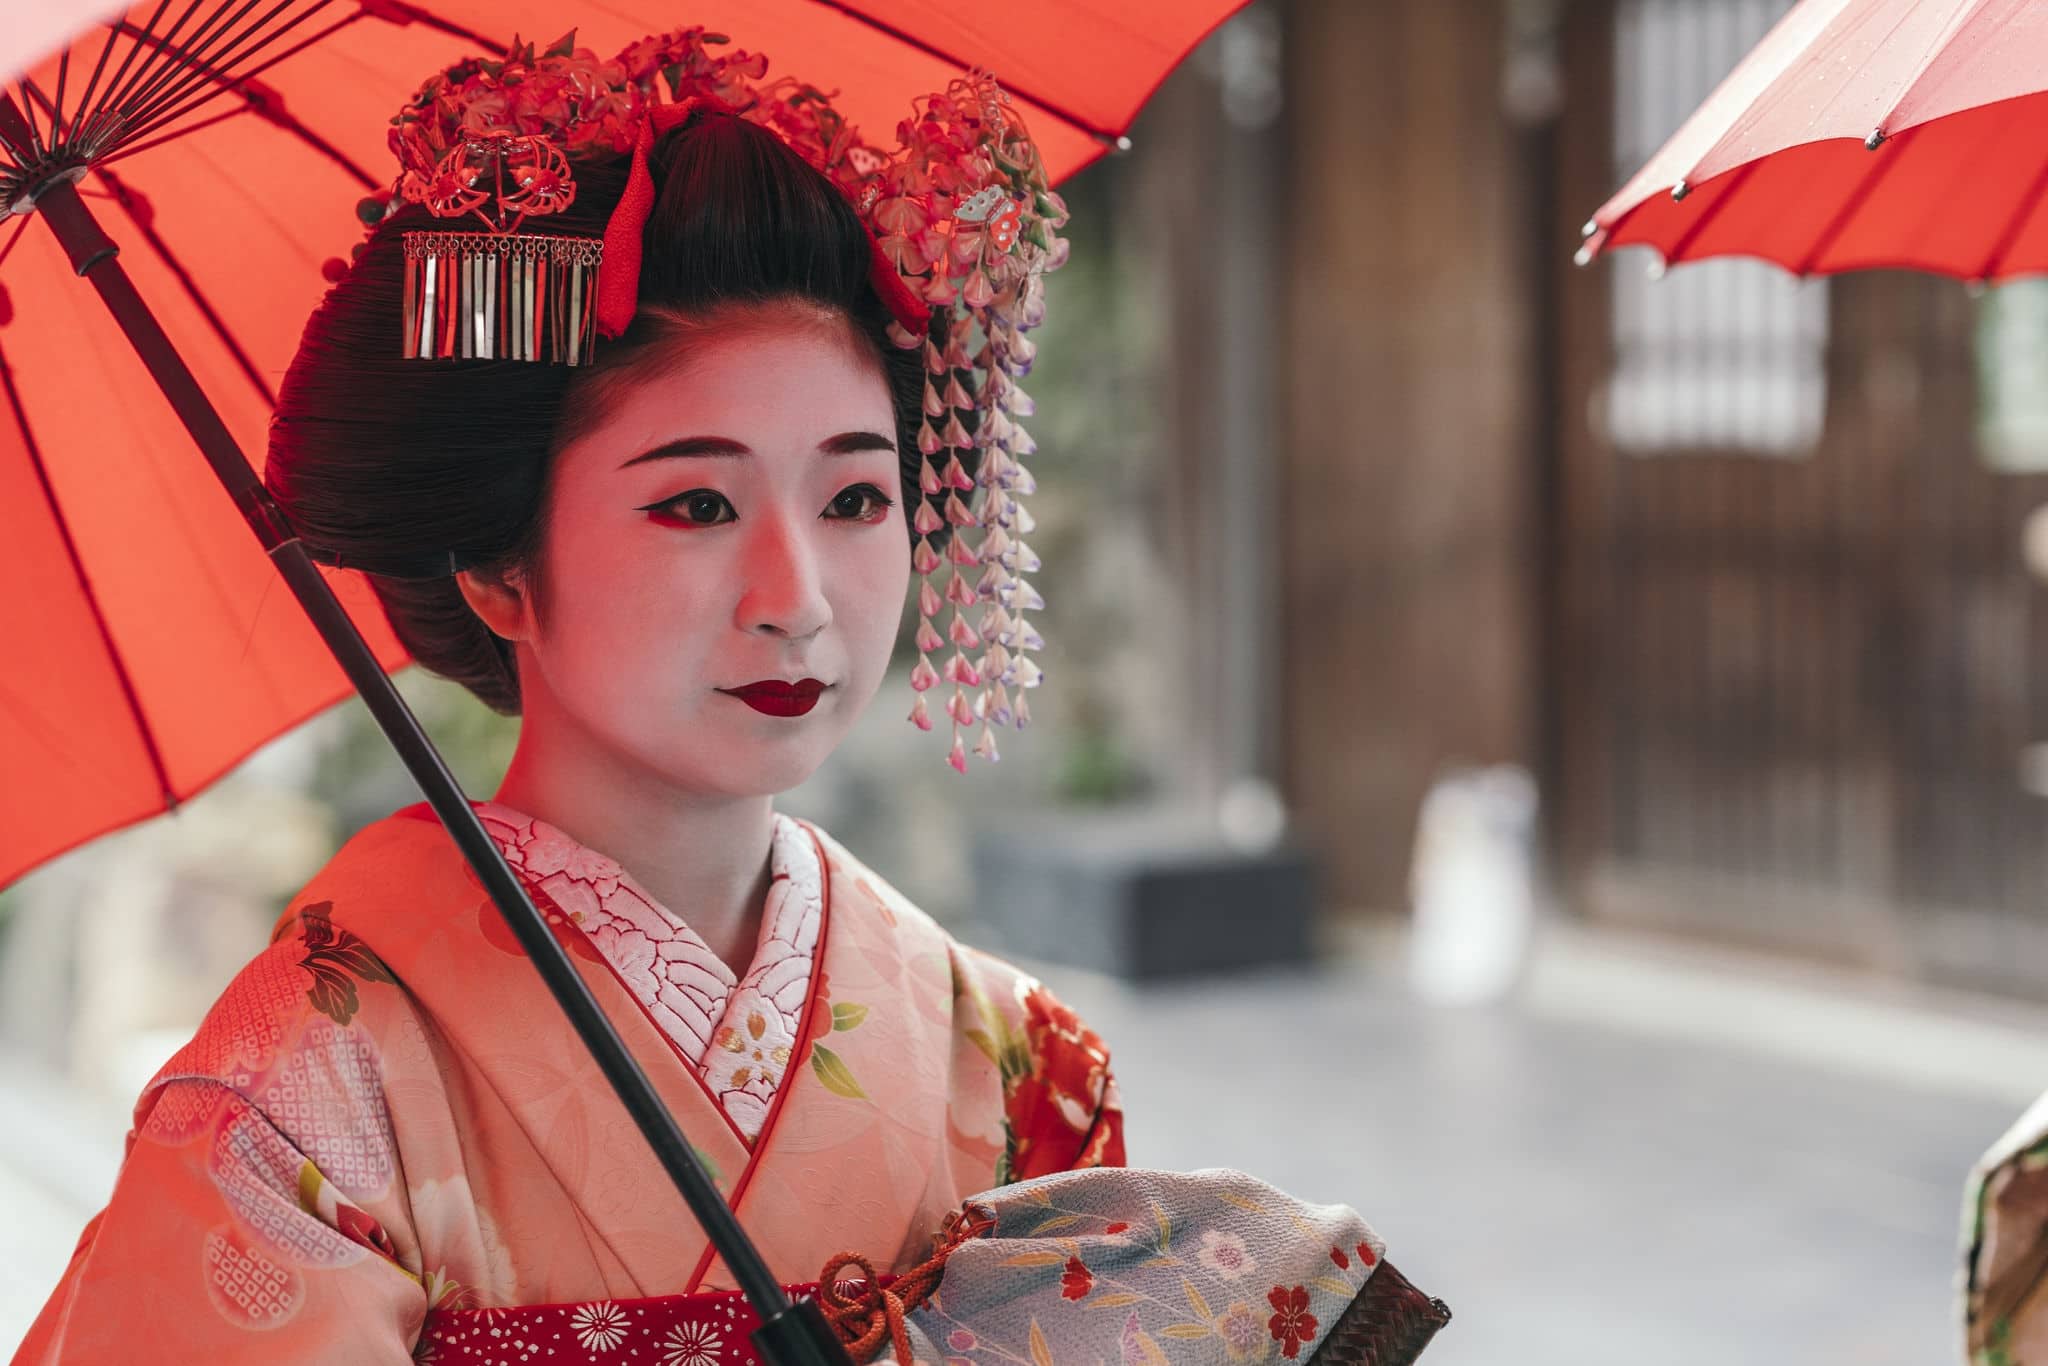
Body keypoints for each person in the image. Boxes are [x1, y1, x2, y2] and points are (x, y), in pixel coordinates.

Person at [13, 30, 1122, 1362]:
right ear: (497, 567)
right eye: (696, 503)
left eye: (855, 496)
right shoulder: (297, 1101)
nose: (800, 594)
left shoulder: (1007, 1057)